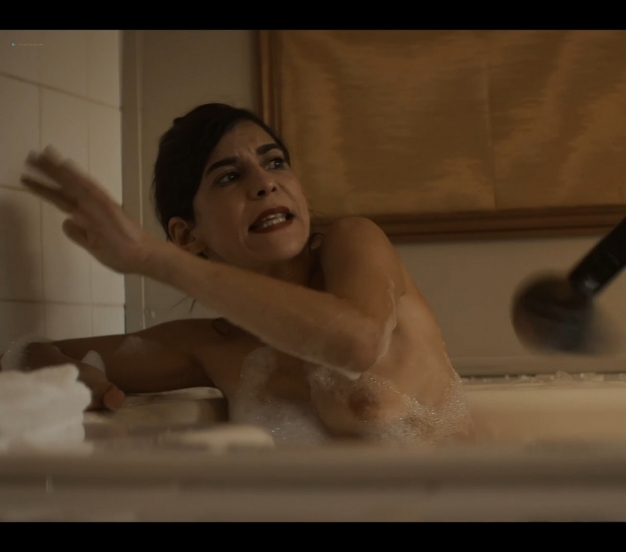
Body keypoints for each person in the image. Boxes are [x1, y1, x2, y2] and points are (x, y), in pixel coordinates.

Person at [3, 103, 473, 445]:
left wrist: (155, 260)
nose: (265, 182)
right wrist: (65, 379)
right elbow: (27, 353)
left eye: (275, 162)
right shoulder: (214, 346)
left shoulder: (353, 240)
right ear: (187, 235)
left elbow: (357, 343)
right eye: (229, 176)